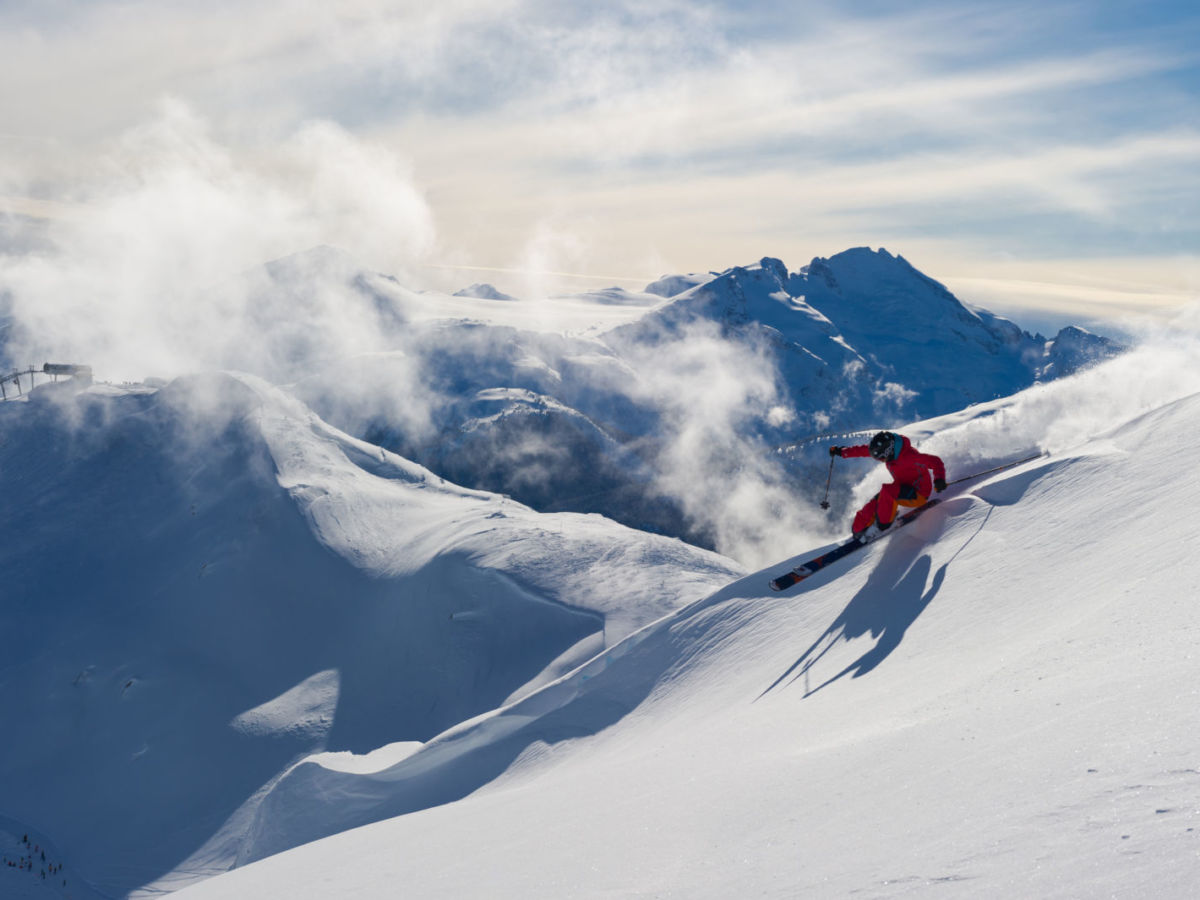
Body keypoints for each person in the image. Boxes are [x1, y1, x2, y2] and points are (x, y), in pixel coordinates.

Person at [830, 431, 947, 538]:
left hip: (919, 493)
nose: (881, 460)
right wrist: (841, 452)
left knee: (887, 492)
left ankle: (883, 526)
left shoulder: (909, 456)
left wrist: (939, 479)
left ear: (889, 451)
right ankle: (858, 531)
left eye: (882, 458)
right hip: (901, 489)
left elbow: (935, 461)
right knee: (874, 504)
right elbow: (863, 450)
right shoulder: (886, 452)